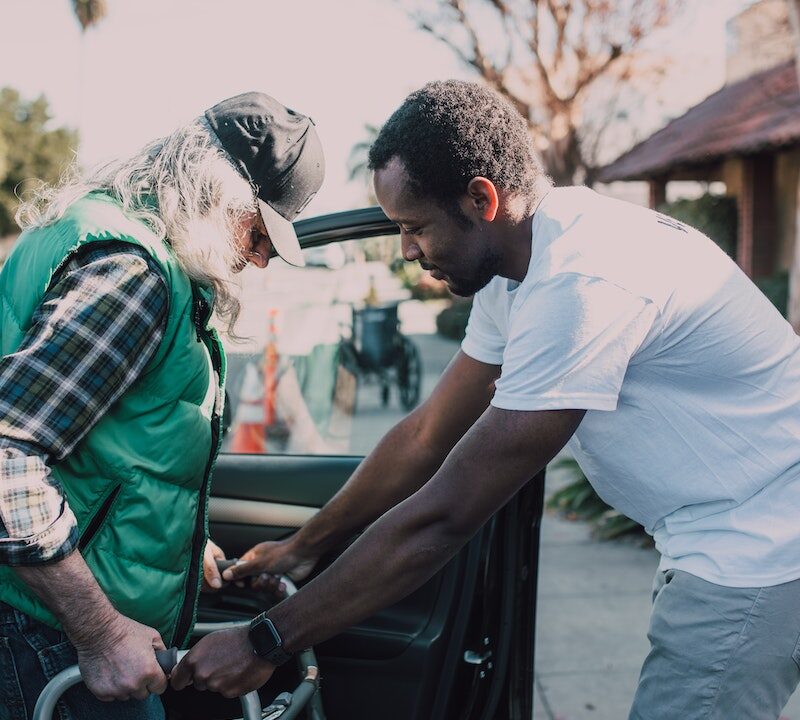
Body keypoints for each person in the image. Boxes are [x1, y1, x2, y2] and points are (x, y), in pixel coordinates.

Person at [173, 80, 800, 720]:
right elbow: (427, 435)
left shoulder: (582, 280)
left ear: (482, 198)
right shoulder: (518, 271)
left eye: (414, 228)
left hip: (758, 546)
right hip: (732, 532)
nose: (408, 251)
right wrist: (307, 544)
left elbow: (446, 515)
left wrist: (267, 640)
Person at [0, 91, 324, 718]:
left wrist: (175, 539)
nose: (258, 258)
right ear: (215, 193)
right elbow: (8, 452)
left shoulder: (92, 228)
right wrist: (99, 633)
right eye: (258, 231)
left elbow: (100, 444)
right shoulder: (132, 274)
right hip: (47, 638)